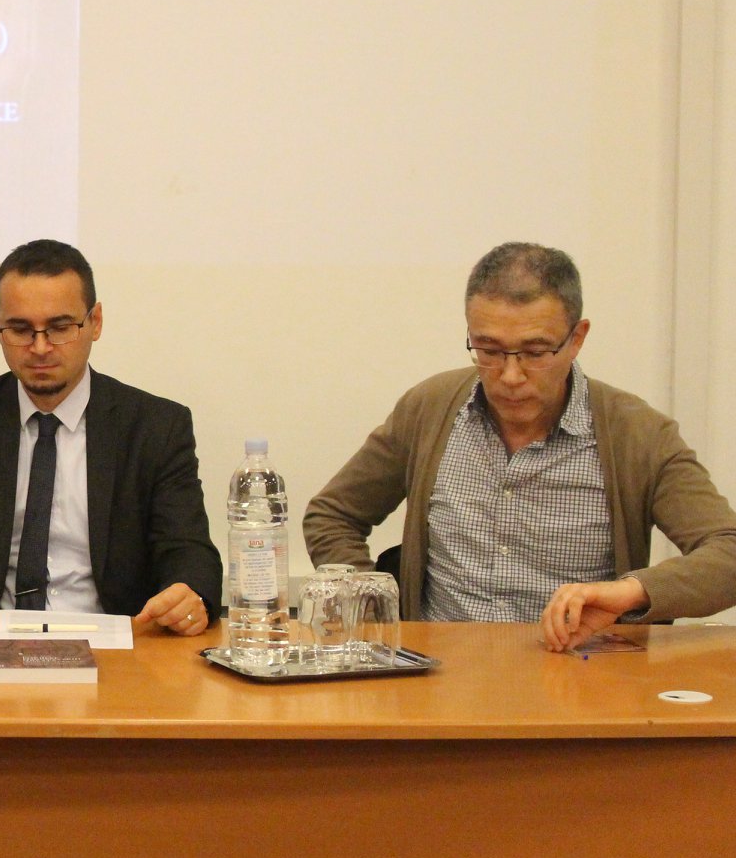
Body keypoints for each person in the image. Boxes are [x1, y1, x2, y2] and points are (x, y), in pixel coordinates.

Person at [303, 241, 736, 651]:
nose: (510, 376)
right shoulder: (430, 409)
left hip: (577, 676)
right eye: (489, 350)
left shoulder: (637, 435)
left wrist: (628, 592)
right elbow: (333, 515)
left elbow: (728, 552)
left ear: (577, 338)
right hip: (440, 677)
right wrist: (372, 611)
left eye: (535, 352)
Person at [0, 239, 221, 633]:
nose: (40, 347)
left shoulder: (156, 427)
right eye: (20, 329)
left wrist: (190, 593)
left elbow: (187, 548)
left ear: (95, 322)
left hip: (113, 642)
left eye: (60, 328)